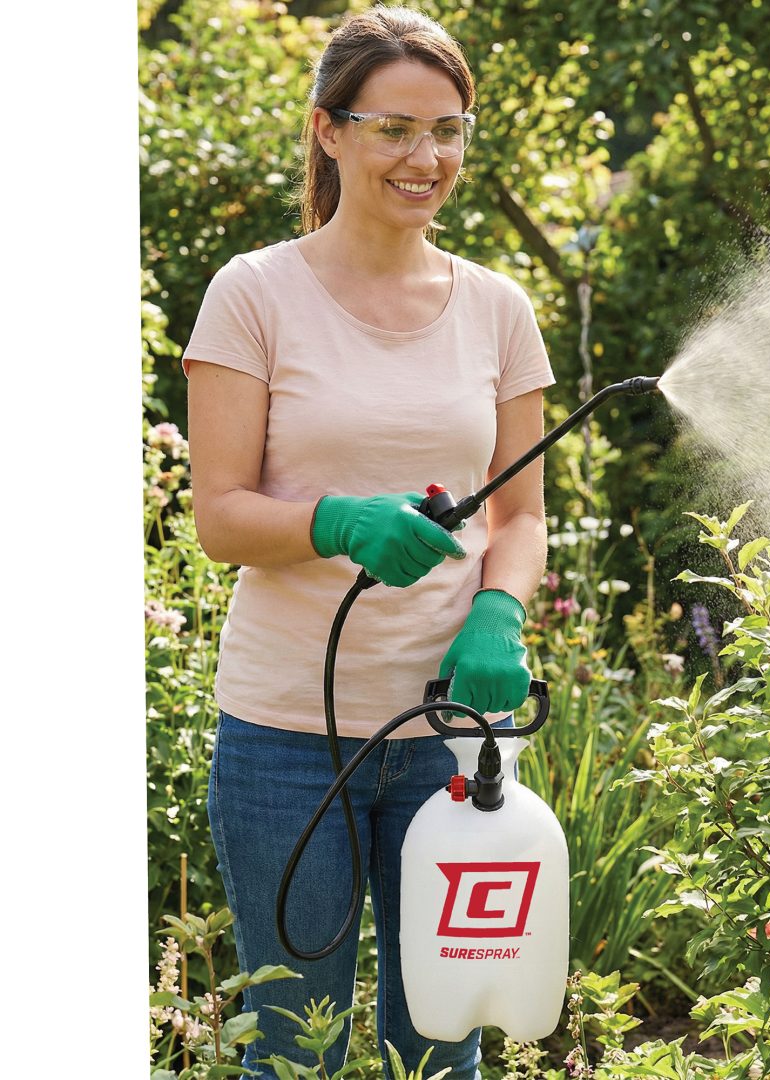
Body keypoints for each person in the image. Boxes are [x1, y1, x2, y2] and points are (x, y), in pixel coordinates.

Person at [182, 7, 554, 1077]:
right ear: (329, 130)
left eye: (448, 130)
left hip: (451, 734)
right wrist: (338, 522)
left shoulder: (498, 308)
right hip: (283, 740)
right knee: (295, 1050)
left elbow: (519, 515)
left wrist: (499, 607)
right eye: (395, 128)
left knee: (440, 1047)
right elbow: (218, 516)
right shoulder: (254, 294)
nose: (425, 157)